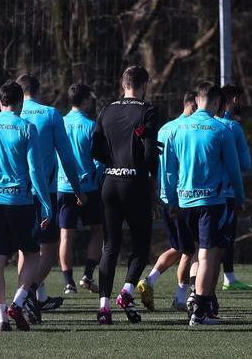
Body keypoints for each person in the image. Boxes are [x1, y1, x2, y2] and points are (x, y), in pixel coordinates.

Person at [162, 82, 245, 326]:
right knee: (209, 255)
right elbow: (234, 169)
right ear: (218, 103)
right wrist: (239, 197)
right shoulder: (221, 130)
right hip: (212, 201)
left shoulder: (175, 129)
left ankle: (203, 305)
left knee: (197, 253)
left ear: (197, 100)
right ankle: (199, 310)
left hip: (184, 202)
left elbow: (168, 171)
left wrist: (170, 200)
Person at [0, 81, 53, 332]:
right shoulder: (27, 128)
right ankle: (17, 303)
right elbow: (35, 170)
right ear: (20, 104)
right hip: (20, 201)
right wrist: (45, 201)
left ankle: (1, 318)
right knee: (31, 254)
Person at [91, 65, 160, 325]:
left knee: (110, 246)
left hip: (110, 182)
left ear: (123, 85)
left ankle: (103, 308)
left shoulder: (106, 110)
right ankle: (127, 291)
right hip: (135, 183)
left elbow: (95, 149)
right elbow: (149, 152)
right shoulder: (147, 110)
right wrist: (150, 173)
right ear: (144, 86)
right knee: (141, 245)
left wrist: (114, 160)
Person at [16, 73, 84, 317]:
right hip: (45, 191)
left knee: (25, 251)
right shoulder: (50, 114)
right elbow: (66, 156)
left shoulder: (12, 115)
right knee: (48, 251)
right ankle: (24, 296)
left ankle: (35, 299)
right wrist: (77, 189)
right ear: (39, 90)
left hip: (16, 193)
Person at [139, 91, 196, 312]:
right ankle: (182, 297)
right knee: (191, 249)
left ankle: (150, 280)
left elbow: (156, 165)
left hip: (163, 194)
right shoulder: (187, 130)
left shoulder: (165, 128)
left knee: (177, 246)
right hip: (180, 197)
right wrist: (174, 200)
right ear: (192, 106)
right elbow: (173, 170)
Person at [57, 83, 104, 296]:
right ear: (85, 100)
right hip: (89, 187)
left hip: (63, 186)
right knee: (97, 231)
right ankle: (88, 274)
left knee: (66, 236)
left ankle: (69, 283)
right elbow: (99, 160)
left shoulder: (59, 123)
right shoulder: (91, 126)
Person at [216, 84, 252, 291]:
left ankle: (186, 286)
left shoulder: (207, 124)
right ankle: (227, 278)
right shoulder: (232, 128)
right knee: (226, 236)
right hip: (227, 191)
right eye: (237, 98)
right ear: (231, 100)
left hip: (200, 192)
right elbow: (245, 164)